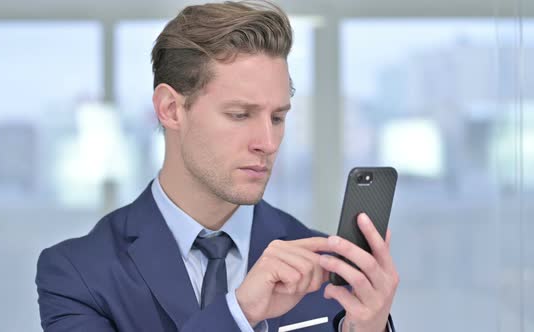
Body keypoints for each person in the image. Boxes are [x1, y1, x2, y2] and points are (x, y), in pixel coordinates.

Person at [35, 1, 399, 331]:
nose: (268, 143)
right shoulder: (78, 274)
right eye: (240, 115)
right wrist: (238, 313)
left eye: (277, 117)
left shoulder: (327, 269)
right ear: (170, 109)